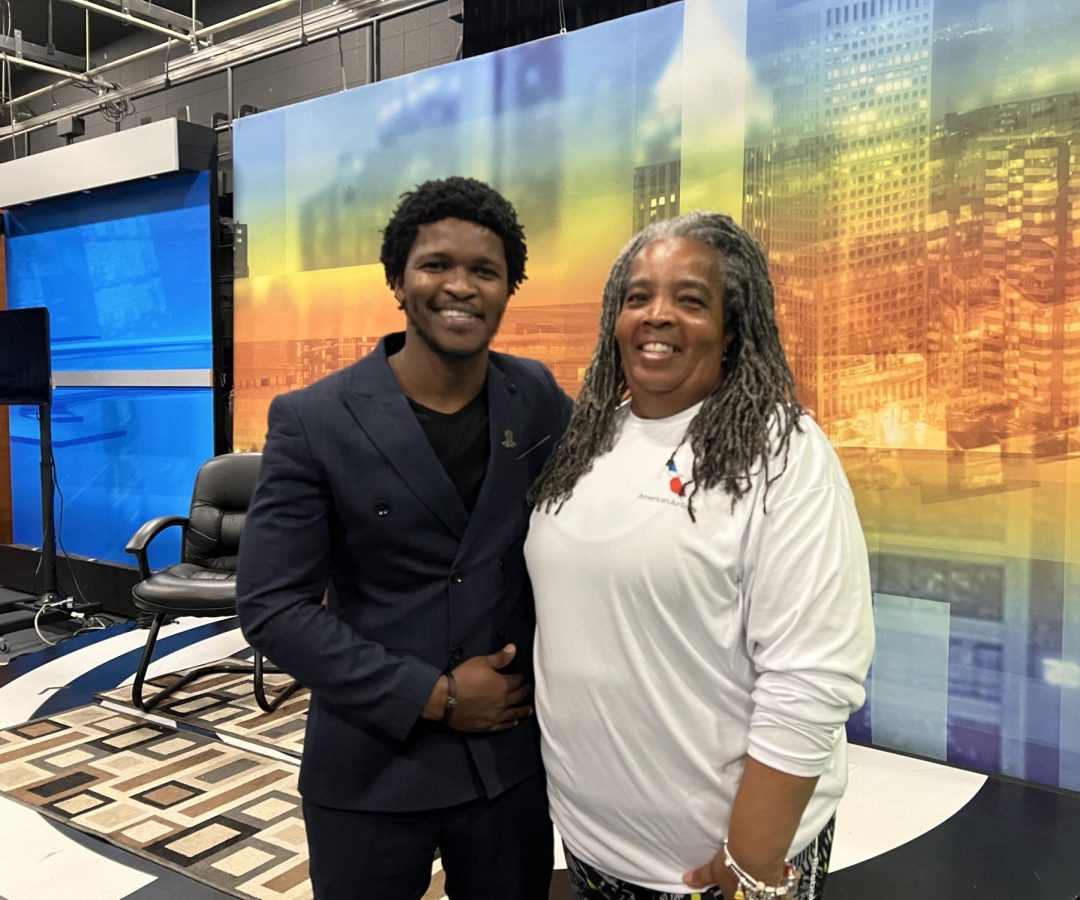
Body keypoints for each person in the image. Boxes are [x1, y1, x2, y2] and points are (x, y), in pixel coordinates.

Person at [236, 176, 570, 899]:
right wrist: (436, 695)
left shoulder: (536, 395)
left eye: (485, 270)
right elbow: (272, 607)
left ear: (510, 287)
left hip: (507, 768)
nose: (461, 286)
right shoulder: (314, 419)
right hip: (371, 766)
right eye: (436, 265)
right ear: (397, 280)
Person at [525, 211, 875, 900]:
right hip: (592, 847)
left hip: (718, 874)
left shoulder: (784, 453)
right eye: (637, 297)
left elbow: (811, 678)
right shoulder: (586, 438)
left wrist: (750, 857)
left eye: (690, 299)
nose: (657, 317)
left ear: (734, 325)